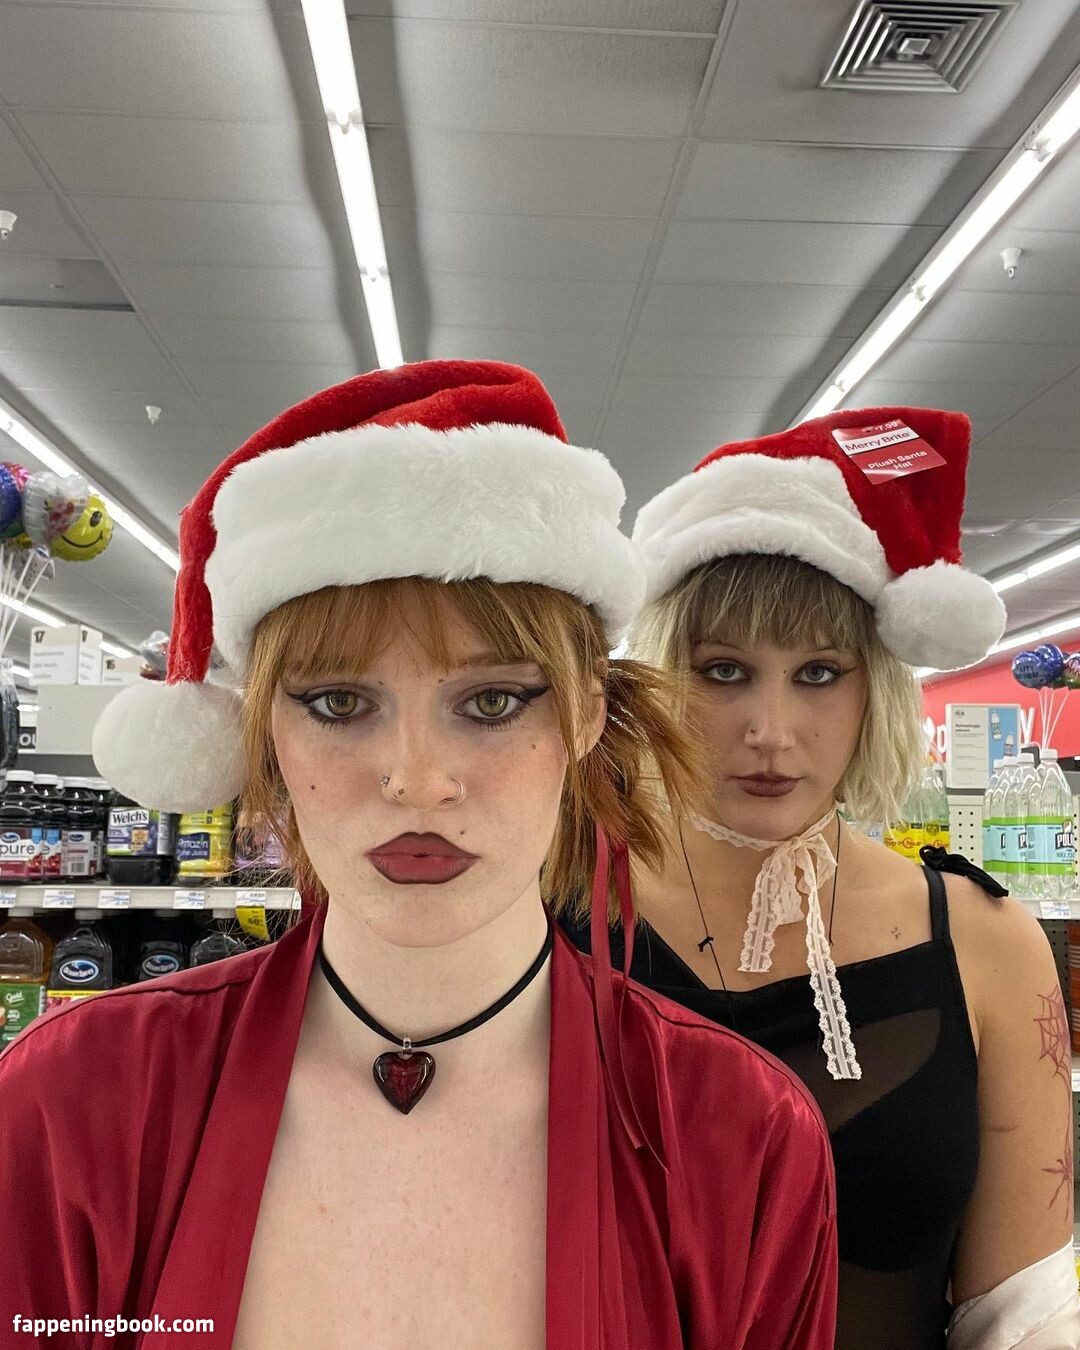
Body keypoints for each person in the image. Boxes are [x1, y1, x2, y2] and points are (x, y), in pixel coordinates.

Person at [0, 361, 837, 1350]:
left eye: (492, 701)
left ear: (584, 716)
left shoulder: (739, 1134)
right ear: (263, 732)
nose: (417, 780)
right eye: (338, 702)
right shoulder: (75, 1101)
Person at [563, 406, 1079, 1349]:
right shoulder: (546, 916)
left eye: (818, 673)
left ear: (874, 687)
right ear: (662, 678)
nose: (771, 731)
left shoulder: (985, 944)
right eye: (724, 672)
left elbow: (1023, 1316)